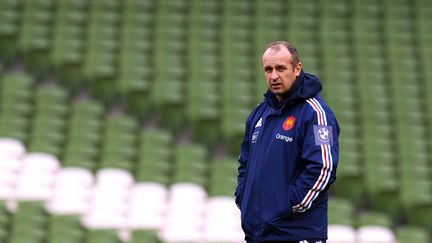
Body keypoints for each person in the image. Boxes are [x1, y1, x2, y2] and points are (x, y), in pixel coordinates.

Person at [235, 41, 340, 243]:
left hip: (296, 234)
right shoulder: (259, 114)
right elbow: (245, 164)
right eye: (268, 69)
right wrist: (244, 197)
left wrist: (288, 204)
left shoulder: (316, 114)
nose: (274, 76)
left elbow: (323, 168)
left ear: (297, 68)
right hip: (258, 234)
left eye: (281, 68)